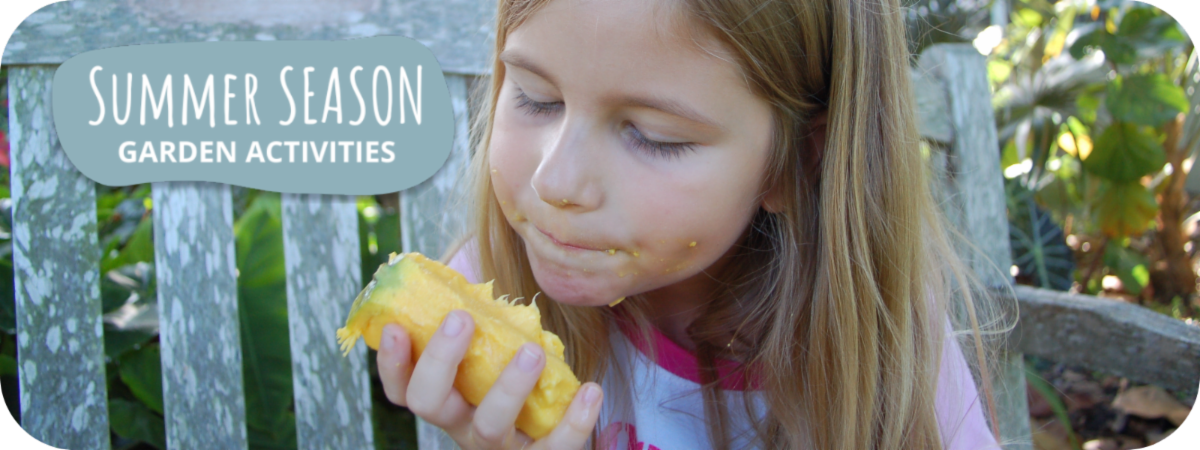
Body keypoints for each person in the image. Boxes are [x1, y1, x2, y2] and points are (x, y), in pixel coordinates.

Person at [375, 0, 1009, 448]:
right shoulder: (489, 289)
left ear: (795, 165)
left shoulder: (885, 335)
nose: (555, 183)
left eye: (655, 137)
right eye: (537, 98)